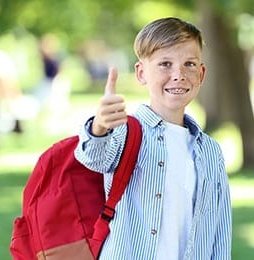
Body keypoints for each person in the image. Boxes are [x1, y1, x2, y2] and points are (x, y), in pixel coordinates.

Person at [74, 17, 232, 260]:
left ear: (201, 73)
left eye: (189, 64)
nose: (178, 74)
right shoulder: (126, 132)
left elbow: (220, 229)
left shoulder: (210, 151)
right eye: (165, 64)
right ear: (141, 72)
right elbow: (94, 157)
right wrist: (99, 126)